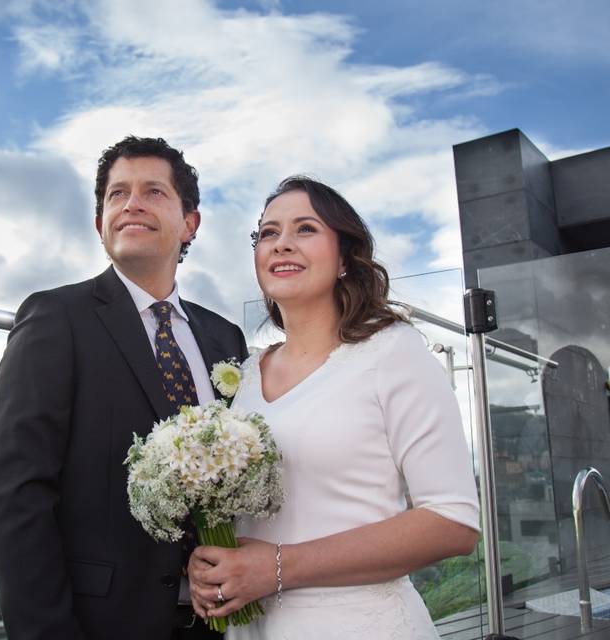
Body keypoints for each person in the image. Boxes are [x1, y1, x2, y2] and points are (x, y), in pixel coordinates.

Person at [188, 176, 480, 639]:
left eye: (305, 229)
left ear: (344, 257)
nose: (282, 244)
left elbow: (453, 522)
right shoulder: (243, 376)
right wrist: (212, 564)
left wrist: (279, 567)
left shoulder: (392, 352)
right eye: (268, 233)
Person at [0, 136, 249, 640]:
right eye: (116, 194)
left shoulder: (225, 336)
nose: (132, 204)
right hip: (103, 623)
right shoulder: (55, 318)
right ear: (100, 223)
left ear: (190, 222)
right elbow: (15, 495)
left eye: (153, 192)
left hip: (226, 621)